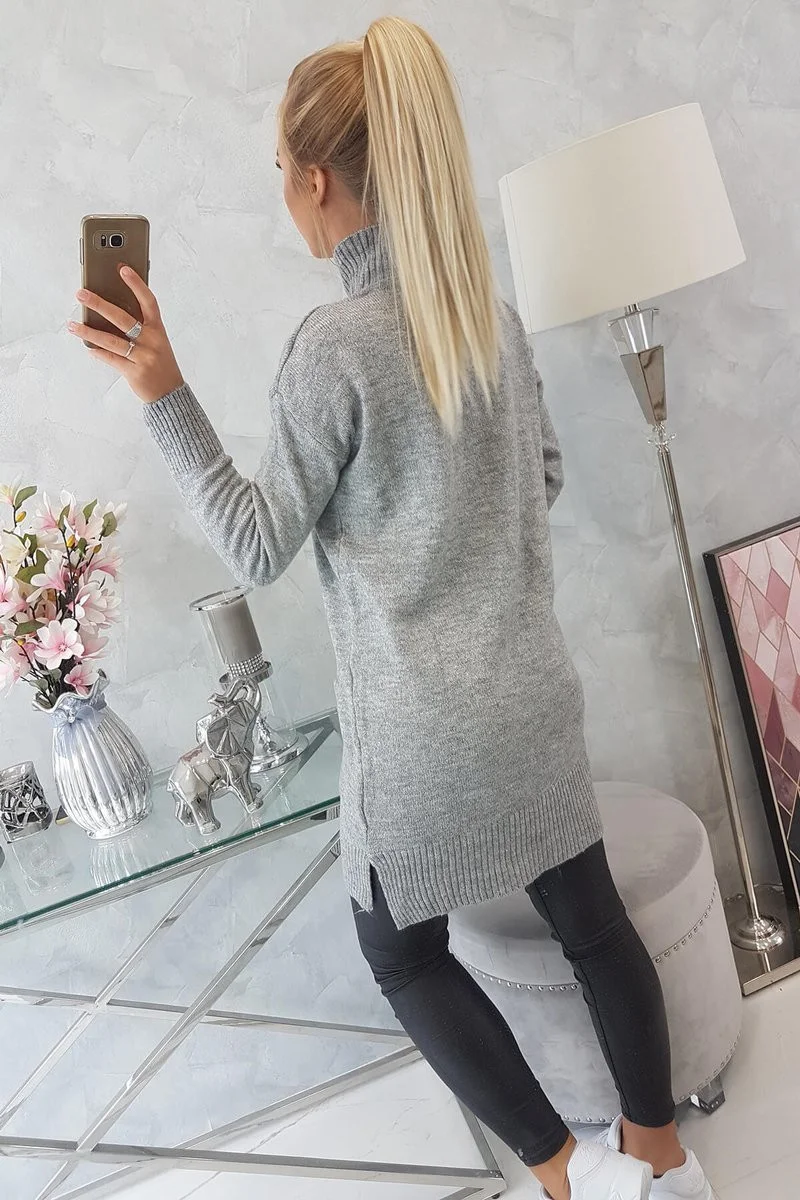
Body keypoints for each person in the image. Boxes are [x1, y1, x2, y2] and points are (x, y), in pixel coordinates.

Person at [67, 16, 715, 1200]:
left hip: (423, 741)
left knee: (398, 951)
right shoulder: (484, 315)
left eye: (279, 167)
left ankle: (564, 1173)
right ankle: (661, 1158)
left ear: (318, 180)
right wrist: (459, 519)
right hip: (533, 703)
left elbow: (255, 541)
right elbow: (543, 476)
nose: (279, 190)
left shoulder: (334, 347)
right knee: (589, 921)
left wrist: (164, 393)